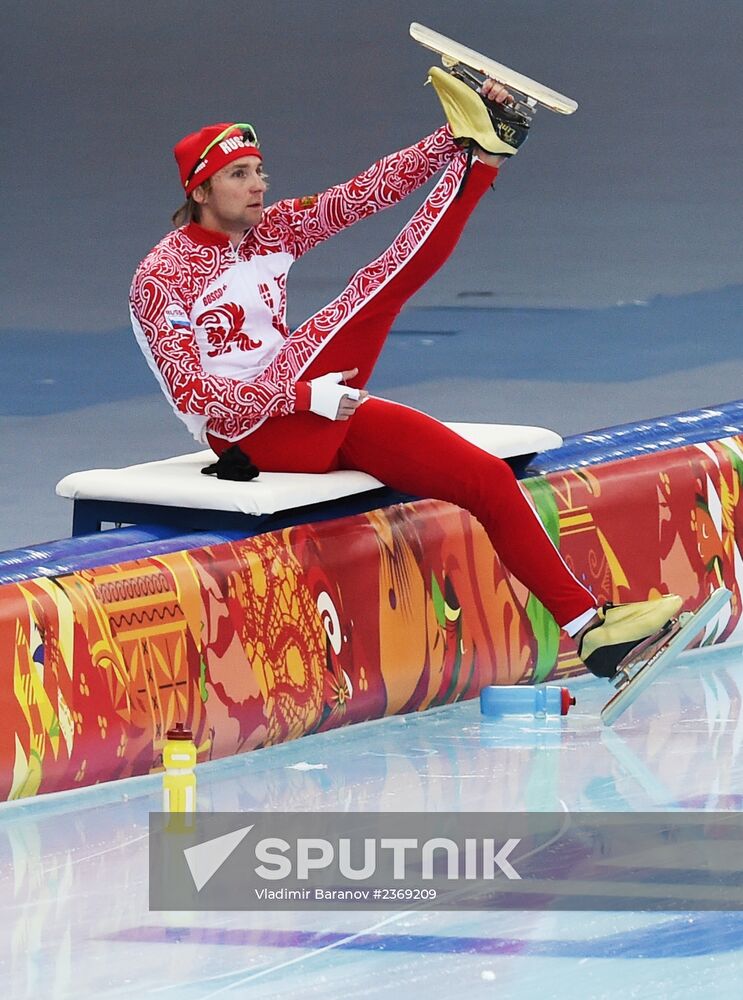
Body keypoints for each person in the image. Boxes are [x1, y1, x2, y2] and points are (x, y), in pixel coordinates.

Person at [129, 69, 682, 683]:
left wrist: (447, 137)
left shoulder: (270, 231)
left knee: (485, 478)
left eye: (260, 171)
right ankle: (485, 161)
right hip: (256, 433)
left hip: (314, 408)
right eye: (239, 175)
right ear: (200, 191)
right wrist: (306, 393)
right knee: (374, 289)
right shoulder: (163, 275)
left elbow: (362, 193)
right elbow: (200, 400)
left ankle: (590, 629)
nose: (258, 185)